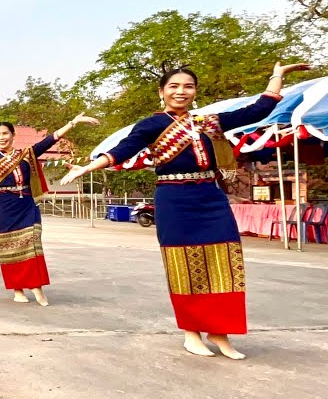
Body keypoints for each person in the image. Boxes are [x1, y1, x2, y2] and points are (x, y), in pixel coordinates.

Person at [60, 63, 308, 359]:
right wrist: (88, 166)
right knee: (185, 266)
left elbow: (257, 111)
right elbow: (122, 150)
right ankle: (192, 333)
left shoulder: (210, 122)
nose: (181, 91)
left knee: (226, 263)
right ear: (162, 92)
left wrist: (277, 76)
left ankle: (220, 332)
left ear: (195, 92)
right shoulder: (150, 125)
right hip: (174, 200)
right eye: (174, 86)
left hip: (210, 198)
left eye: (187, 86)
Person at [0, 116, 97, 306]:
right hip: (6, 205)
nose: (1, 137)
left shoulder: (26, 154)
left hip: (28, 203)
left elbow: (50, 140)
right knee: (11, 248)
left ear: (13, 135)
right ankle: (17, 289)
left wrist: (73, 122)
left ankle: (36, 286)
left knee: (32, 243)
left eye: (5, 133)